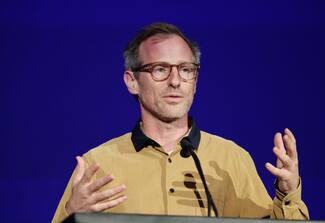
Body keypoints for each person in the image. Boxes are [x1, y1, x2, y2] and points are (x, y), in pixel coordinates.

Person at [52, 22, 309, 223]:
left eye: (186, 70)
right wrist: (72, 214)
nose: (175, 81)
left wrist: (288, 193)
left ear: (195, 81)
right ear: (132, 81)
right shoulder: (98, 164)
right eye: (160, 69)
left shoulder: (232, 159)